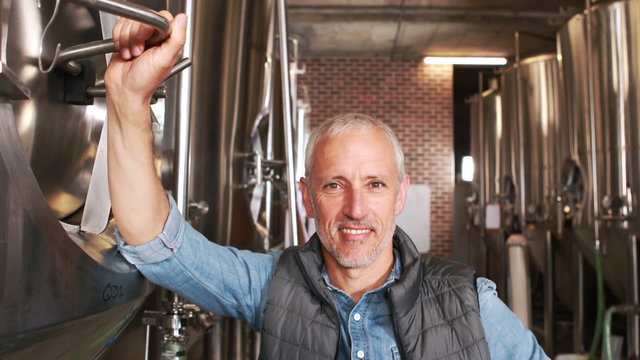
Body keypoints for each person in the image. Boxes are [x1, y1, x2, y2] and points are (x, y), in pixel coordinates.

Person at [106, 11, 549, 360]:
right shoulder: (274, 287)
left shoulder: (470, 302)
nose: (356, 208)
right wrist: (129, 100)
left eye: (375, 184)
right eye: (335, 186)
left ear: (400, 195)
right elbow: (160, 246)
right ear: (307, 198)